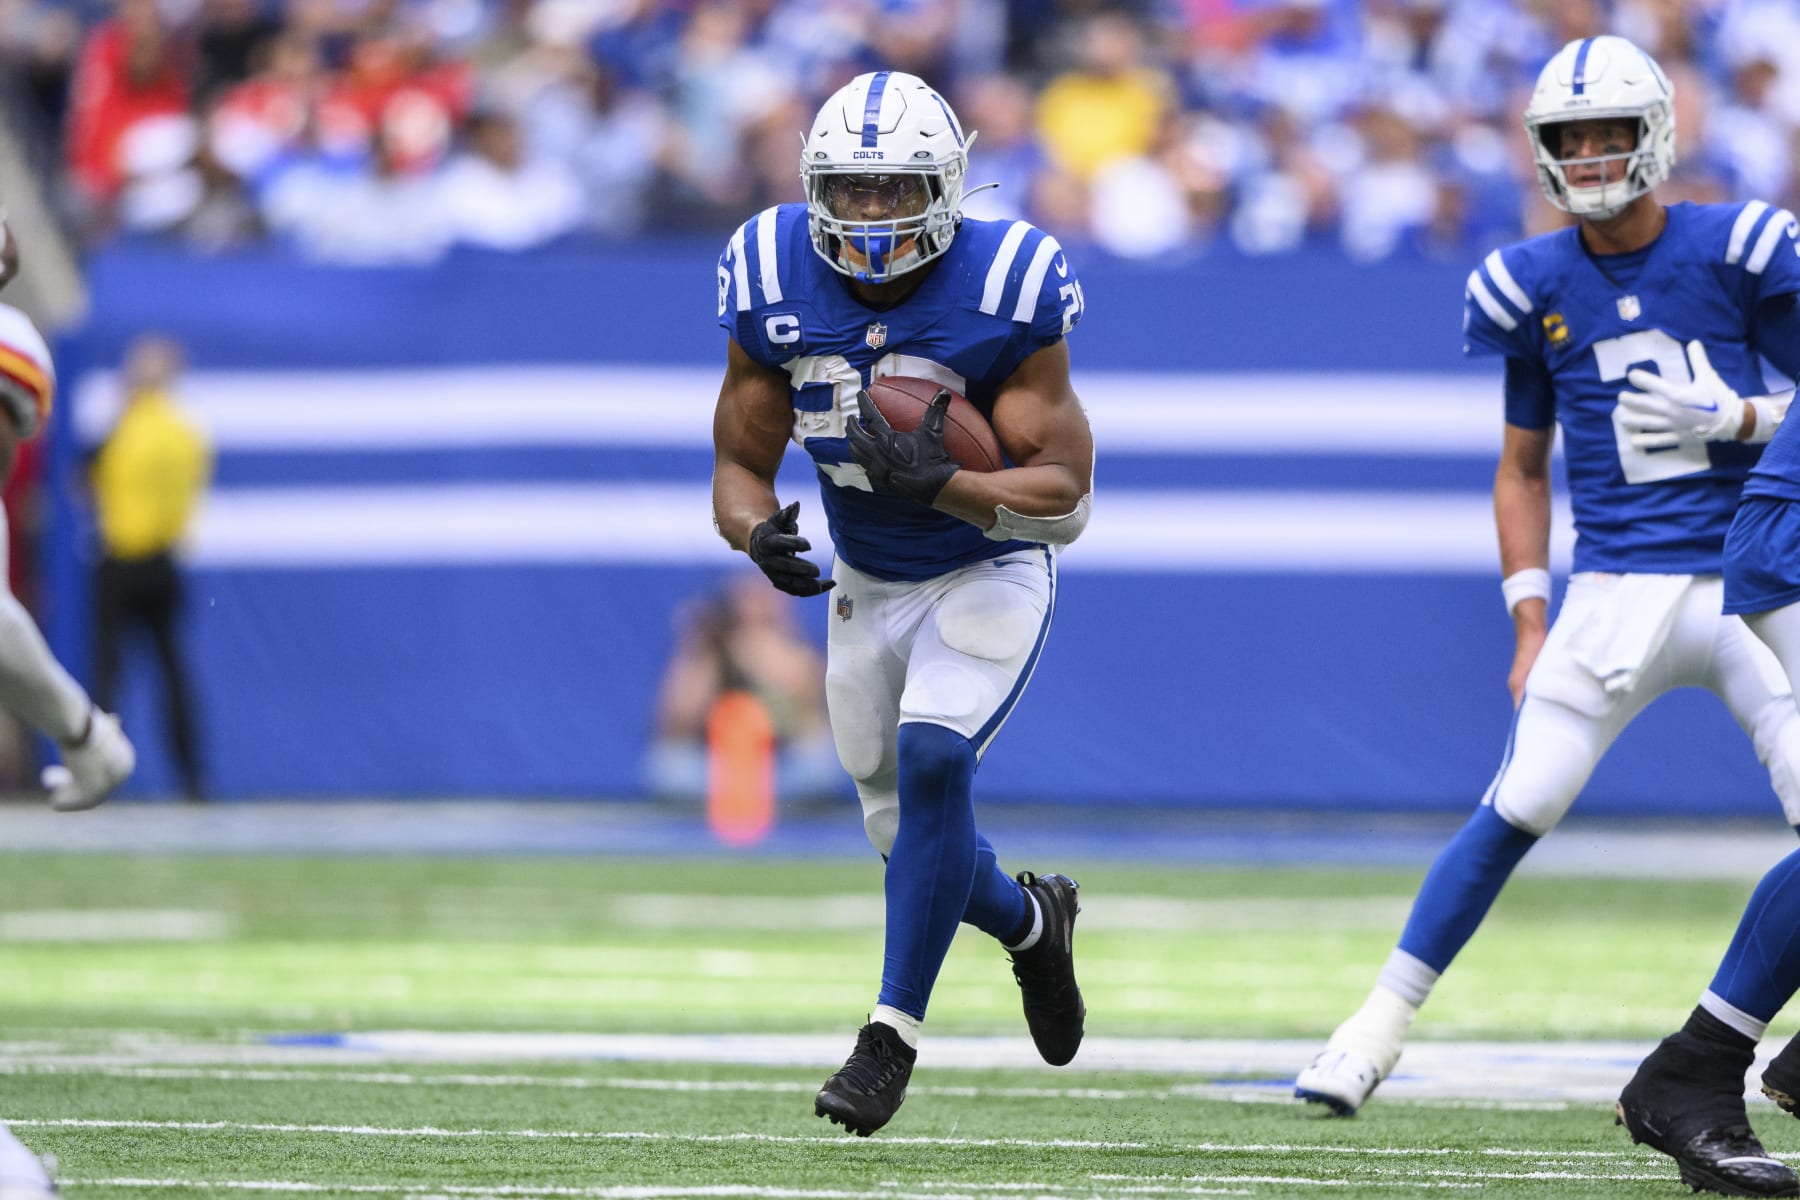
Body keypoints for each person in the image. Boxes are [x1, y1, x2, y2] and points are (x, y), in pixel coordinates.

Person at [1296, 34, 1800, 1119]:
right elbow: (1522, 468)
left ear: (1655, 133)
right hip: (1612, 587)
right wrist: (1529, 620)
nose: (1591, 153)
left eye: (1610, 131)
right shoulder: (1527, 282)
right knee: (1519, 800)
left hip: (1747, 587)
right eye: (1571, 137)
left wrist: (1744, 417)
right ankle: (1370, 1031)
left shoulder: (1738, 248)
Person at [710, 70, 1096, 1137]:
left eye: (896, 189)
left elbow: (1066, 496)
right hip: (868, 582)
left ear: (947, 188)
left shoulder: (1006, 280)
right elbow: (737, 466)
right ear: (813, 186)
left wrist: (951, 485)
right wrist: (755, 531)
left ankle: (888, 1039)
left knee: (934, 761)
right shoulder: (770, 271)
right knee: (905, 836)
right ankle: (1034, 926)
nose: (872, 213)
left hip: (986, 564)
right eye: (852, 188)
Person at [90, 333, 210, 800]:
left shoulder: (127, 427)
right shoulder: (185, 432)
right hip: (162, 560)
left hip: (122, 559)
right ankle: (191, 776)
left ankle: (96, 768)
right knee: (172, 671)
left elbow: (93, 481)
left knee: (108, 672)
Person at [643, 571, 843, 807]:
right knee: (670, 767)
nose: (755, 611)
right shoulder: (711, 652)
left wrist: (763, 658)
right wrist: (697, 647)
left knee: (819, 768)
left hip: (781, 766)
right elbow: (678, 719)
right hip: (716, 767)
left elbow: (812, 707)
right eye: (747, 602)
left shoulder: (797, 649)